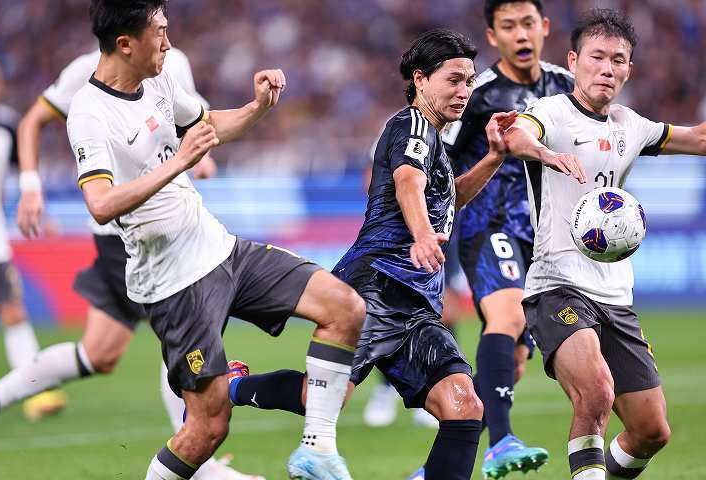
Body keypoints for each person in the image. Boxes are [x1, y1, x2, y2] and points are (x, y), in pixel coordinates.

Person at [226, 28, 583, 480]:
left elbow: (445, 197)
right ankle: (231, 385)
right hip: (375, 286)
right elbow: (408, 182)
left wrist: (493, 157)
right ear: (420, 79)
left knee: (465, 406)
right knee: (319, 399)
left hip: (416, 306)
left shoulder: (437, 140)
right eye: (453, 79)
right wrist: (420, 234)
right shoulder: (410, 125)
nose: (464, 91)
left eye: (469, 81)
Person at [66, 2, 365, 479]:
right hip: (171, 283)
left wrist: (256, 107)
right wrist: (179, 163)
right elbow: (100, 203)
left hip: (220, 248)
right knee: (207, 428)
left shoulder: (158, 80)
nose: (168, 42)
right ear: (126, 43)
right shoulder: (89, 114)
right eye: (159, 33)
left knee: (343, 306)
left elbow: (207, 127)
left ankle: (318, 451)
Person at [0, 42, 260, 480]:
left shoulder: (175, 64)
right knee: (182, 336)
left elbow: (191, 126)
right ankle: (201, 466)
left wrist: (202, 156)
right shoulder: (84, 71)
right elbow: (35, 120)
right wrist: (32, 185)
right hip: (126, 236)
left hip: (159, 222)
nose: (161, 31)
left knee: (99, 353)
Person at [504, 8, 706, 479]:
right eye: (597, 57)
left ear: (629, 70)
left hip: (616, 295)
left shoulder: (629, 125)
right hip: (556, 284)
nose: (607, 68)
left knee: (652, 430)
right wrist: (545, 153)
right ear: (573, 61)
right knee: (595, 392)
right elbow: (517, 136)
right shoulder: (549, 113)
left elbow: (696, 138)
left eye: (618, 60)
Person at [441, 1, 573, 476]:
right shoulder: (475, 94)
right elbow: (440, 160)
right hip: (487, 224)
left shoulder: (564, 85)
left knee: (512, 362)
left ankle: (436, 469)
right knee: (507, 311)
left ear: (545, 28)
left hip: (543, 236)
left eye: (528, 24)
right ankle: (501, 444)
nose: (521, 34)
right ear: (493, 36)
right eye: (509, 26)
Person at [0, 59, 68, 421]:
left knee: (14, 313)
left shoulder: (7, 125)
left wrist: (40, 213)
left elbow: (27, 172)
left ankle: (37, 391)